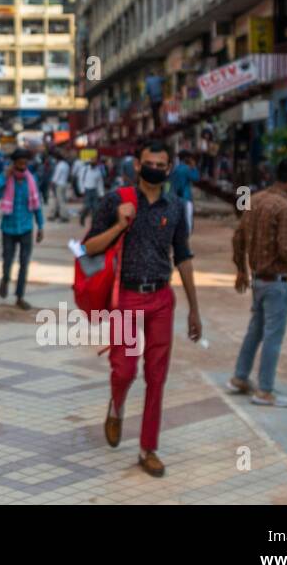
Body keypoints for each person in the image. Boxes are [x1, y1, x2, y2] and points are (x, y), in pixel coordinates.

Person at [83, 139, 202, 478]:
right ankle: (116, 406)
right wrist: (121, 225)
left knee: (157, 376)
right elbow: (87, 248)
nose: (154, 169)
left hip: (162, 299)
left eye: (161, 165)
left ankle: (148, 448)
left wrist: (194, 308)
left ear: (169, 169)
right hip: (127, 298)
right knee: (123, 371)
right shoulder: (114, 201)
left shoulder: (176, 207)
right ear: (137, 165)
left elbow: (184, 257)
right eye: (148, 162)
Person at [227, 157, 287, 407]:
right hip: (276, 281)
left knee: (255, 331)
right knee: (272, 337)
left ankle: (240, 376)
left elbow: (238, 238)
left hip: (258, 279)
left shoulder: (254, 200)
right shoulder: (285, 207)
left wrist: (241, 270)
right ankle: (265, 390)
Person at [0, 149, 45, 309]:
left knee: (24, 263)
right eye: (20, 164)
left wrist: (40, 226)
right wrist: (4, 178)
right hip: (8, 228)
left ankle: (20, 296)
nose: (22, 167)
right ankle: (5, 279)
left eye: (25, 164)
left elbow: (37, 204)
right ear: (14, 164)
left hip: (26, 228)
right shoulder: (5, 177)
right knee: (7, 261)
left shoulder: (31, 179)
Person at [168, 150, 200, 234]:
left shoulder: (175, 168)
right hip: (185, 197)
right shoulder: (186, 169)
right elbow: (196, 177)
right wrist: (194, 167)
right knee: (187, 220)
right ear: (187, 158)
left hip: (174, 196)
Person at [79, 157, 106, 228]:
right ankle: (82, 218)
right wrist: (82, 190)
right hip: (87, 189)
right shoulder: (85, 169)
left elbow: (100, 183)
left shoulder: (98, 171)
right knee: (87, 206)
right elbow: (81, 179)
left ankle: (94, 222)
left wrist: (101, 193)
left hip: (94, 191)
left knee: (95, 208)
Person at [50, 152, 72, 222]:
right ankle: (55, 214)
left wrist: (52, 183)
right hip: (64, 184)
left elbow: (56, 176)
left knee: (60, 201)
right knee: (58, 200)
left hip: (59, 184)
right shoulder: (66, 165)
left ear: (57, 159)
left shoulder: (59, 166)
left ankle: (64, 216)